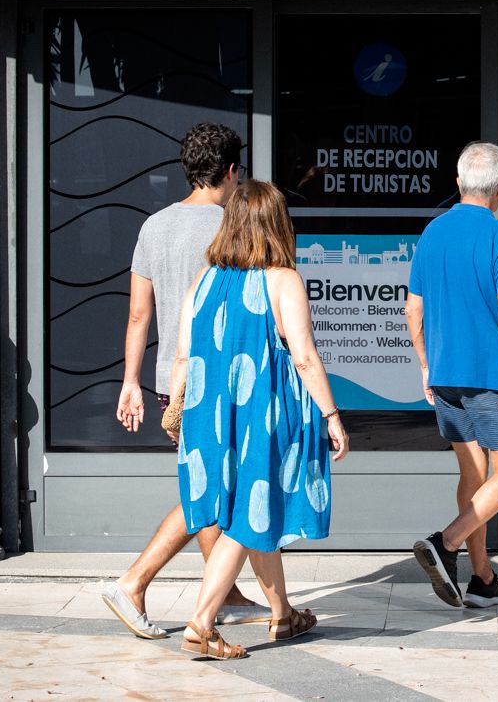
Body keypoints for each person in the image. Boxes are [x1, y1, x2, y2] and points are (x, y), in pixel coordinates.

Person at [99, 123, 267, 639]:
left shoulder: (154, 226)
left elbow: (137, 316)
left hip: (172, 380)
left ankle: (229, 594)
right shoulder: (233, 227)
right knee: (209, 488)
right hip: (218, 377)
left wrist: (130, 382)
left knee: (211, 483)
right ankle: (134, 582)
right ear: (233, 171)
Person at [171, 179, 349, 660]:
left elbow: (183, 359)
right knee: (246, 516)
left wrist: (177, 414)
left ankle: (283, 615)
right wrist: (332, 415)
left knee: (254, 508)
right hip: (262, 414)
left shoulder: (202, 282)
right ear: (276, 225)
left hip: (207, 412)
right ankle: (202, 624)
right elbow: (305, 357)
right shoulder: (281, 279)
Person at [406, 141, 498, 609]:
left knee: (474, 472)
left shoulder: (432, 234)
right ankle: (447, 542)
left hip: (445, 375)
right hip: (491, 377)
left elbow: (412, 311)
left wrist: (426, 366)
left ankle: (481, 577)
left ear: (457, 184)